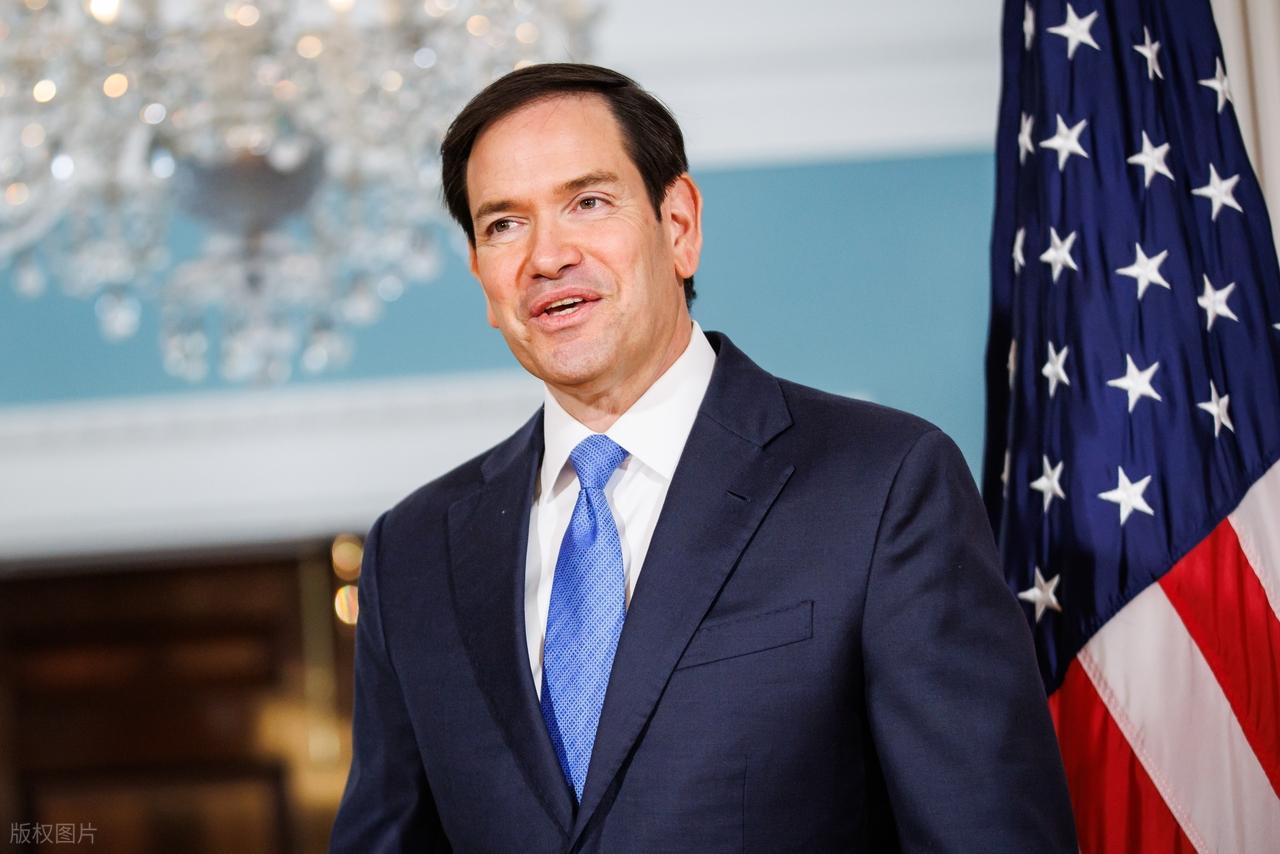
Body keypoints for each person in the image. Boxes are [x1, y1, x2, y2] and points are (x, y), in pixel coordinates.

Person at [330, 63, 1076, 853]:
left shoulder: (882, 483)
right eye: (504, 224)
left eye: (588, 202)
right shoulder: (412, 553)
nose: (546, 257)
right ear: (483, 277)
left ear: (679, 225)